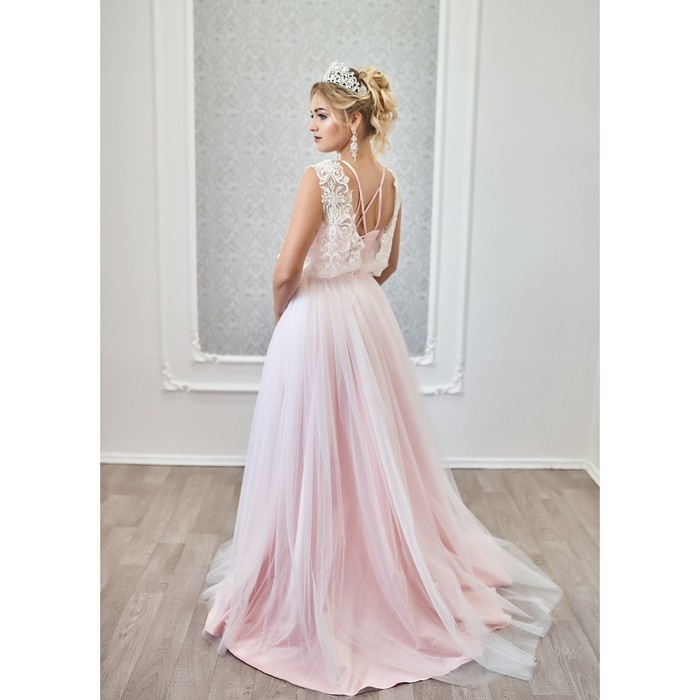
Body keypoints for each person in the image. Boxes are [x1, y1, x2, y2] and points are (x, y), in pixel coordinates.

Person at [201, 61, 561, 696]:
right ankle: (376, 565)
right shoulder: (390, 182)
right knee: (368, 448)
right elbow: (386, 264)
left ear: (355, 119)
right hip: (367, 315)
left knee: (315, 446)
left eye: (322, 115)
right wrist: (353, 293)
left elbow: (286, 271)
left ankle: (321, 578)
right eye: (312, 115)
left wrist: (288, 316)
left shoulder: (320, 177)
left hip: (316, 318)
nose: (312, 126)